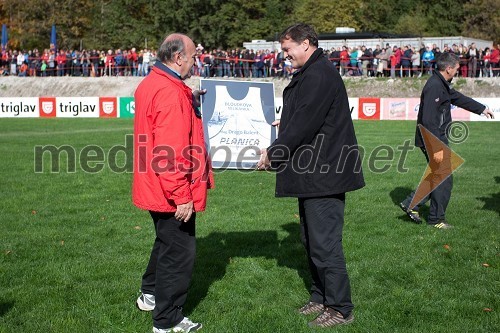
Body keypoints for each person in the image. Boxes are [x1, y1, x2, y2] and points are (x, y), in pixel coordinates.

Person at [257, 23, 365, 328]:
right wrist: (285, 124)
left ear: (306, 43)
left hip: (324, 174)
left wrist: (273, 154)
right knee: (311, 240)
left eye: (287, 49)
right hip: (313, 173)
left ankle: (341, 308)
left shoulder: (319, 74)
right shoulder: (312, 71)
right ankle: (320, 297)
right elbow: (304, 117)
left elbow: (305, 123)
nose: (285, 55)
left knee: (325, 244)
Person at [132, 33, 213, 333]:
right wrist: (182, 194)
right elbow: (169, 152)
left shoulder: (152, 83)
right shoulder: (170, 92)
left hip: (153, 183)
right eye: (192, 57)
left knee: (166, 243)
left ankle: (150, 295)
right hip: (169, 187)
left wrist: (187, 98)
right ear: (178, 58)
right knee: (179, 253)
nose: (195, 62)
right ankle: (167, 321)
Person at [399, 52, 494, 229]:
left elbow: (459, 98)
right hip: (432, 138)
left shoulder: (442, 84)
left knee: (438, 174)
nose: (458, 71)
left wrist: (482, 109)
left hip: (435, 137)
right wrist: (437, 145)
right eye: (457, 68)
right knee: (443, 176)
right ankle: (436, 219)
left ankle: (412, 204)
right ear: (448, 69)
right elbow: (428, 120)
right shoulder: (434, 86)